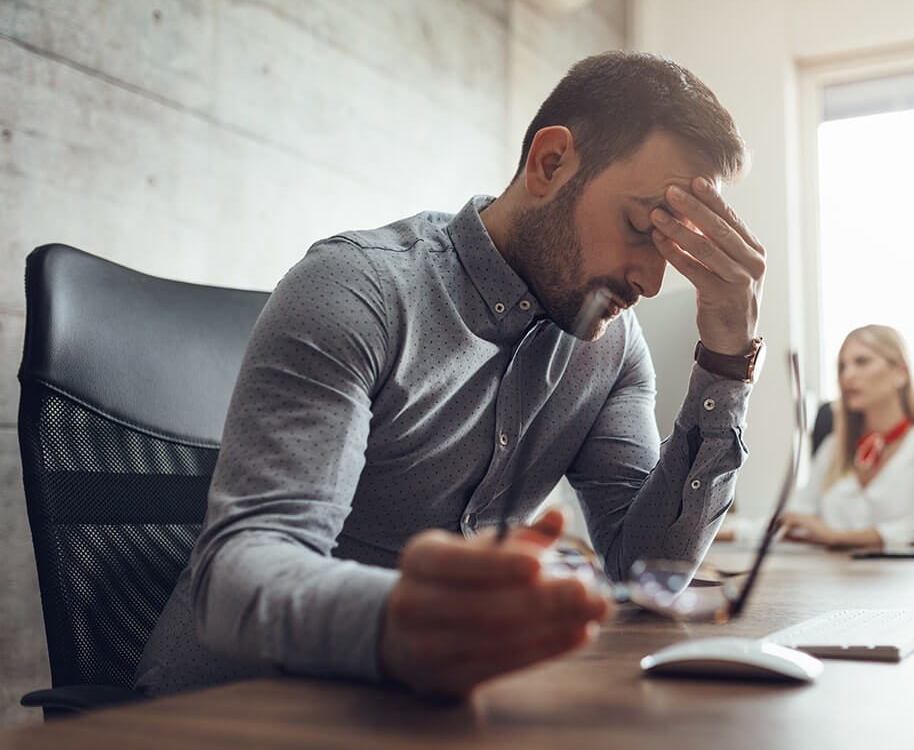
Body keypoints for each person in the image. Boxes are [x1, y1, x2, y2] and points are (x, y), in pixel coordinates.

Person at [134, 51, 766, 698]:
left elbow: (645, 566)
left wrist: (726, 360)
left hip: (422, 718)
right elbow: (235, 575)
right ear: (550, 164)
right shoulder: (358, 289)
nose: (652, 281)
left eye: (671, 247)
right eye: (640, 226)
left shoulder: (608, 347)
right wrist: (400, 621)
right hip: (227, 712)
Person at [777, 325, 914, 552]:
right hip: (834, 581)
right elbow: (795, 517)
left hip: (905, 582)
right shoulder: (834, 447)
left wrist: (841, 538)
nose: (847, 376)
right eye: (842, 367)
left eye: (862, 362)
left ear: (901, 373)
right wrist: (722, 530)